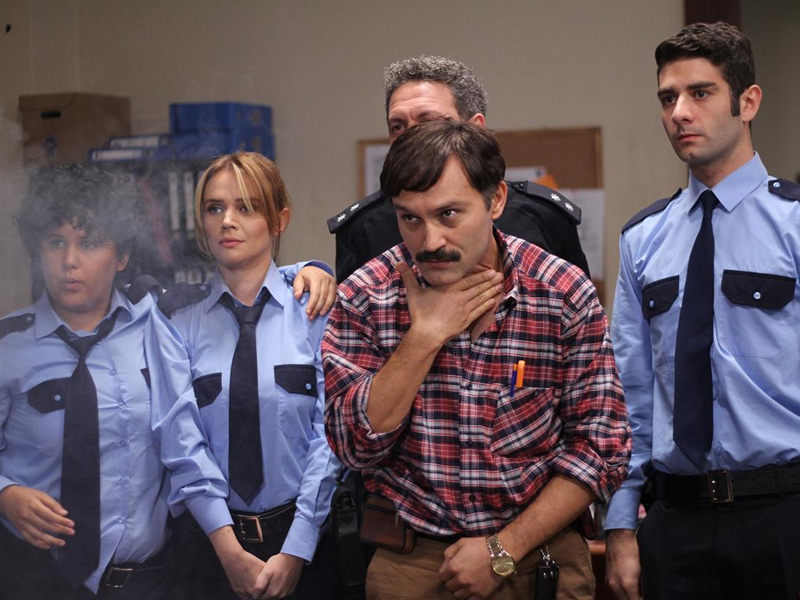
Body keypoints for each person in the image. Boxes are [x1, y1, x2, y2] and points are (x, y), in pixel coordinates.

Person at [323, 120, 630, 600]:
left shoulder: (561, 292)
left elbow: (601, 447)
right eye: (409, 219)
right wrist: (423, 338)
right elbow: (353, 447)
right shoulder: (366, 296)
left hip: (537, 554)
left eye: (449, 214)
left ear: (496, 200)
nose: (429, 241)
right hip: (413, 561)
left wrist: (502, 549)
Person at [604, 22, 800, 600]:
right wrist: (620, 527)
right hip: (676, 521)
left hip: (784, 512)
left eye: (701, 93)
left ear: (748, 102)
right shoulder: (644, 239)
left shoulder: (794, 224)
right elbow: (629, 396)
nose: (680, 112)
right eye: (668, 98)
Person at [147, 151, 341, 600]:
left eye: (247, 207)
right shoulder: (176, 319)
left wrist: (298, 547)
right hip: (208, 545)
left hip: (307, 538)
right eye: (214, 208)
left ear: (279, 219)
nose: (227, 221)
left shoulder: (315, 309)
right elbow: (179, 438)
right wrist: (227, 548)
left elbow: (331, 435)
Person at [0, 165, 170, 599]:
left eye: (89, 242)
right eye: (56, 242)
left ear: (122, 256)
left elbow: (236, 291)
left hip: (148, 581)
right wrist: (5, 494)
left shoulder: (158, 328)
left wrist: (310, 270)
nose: (69, 261)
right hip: (33, 580)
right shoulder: (7, 346)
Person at [327, 55, 589, 283]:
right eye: (398, 126)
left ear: (475, 128)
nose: (411, 137)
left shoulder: (541, 217)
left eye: (428, 122)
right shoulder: (364, 228)